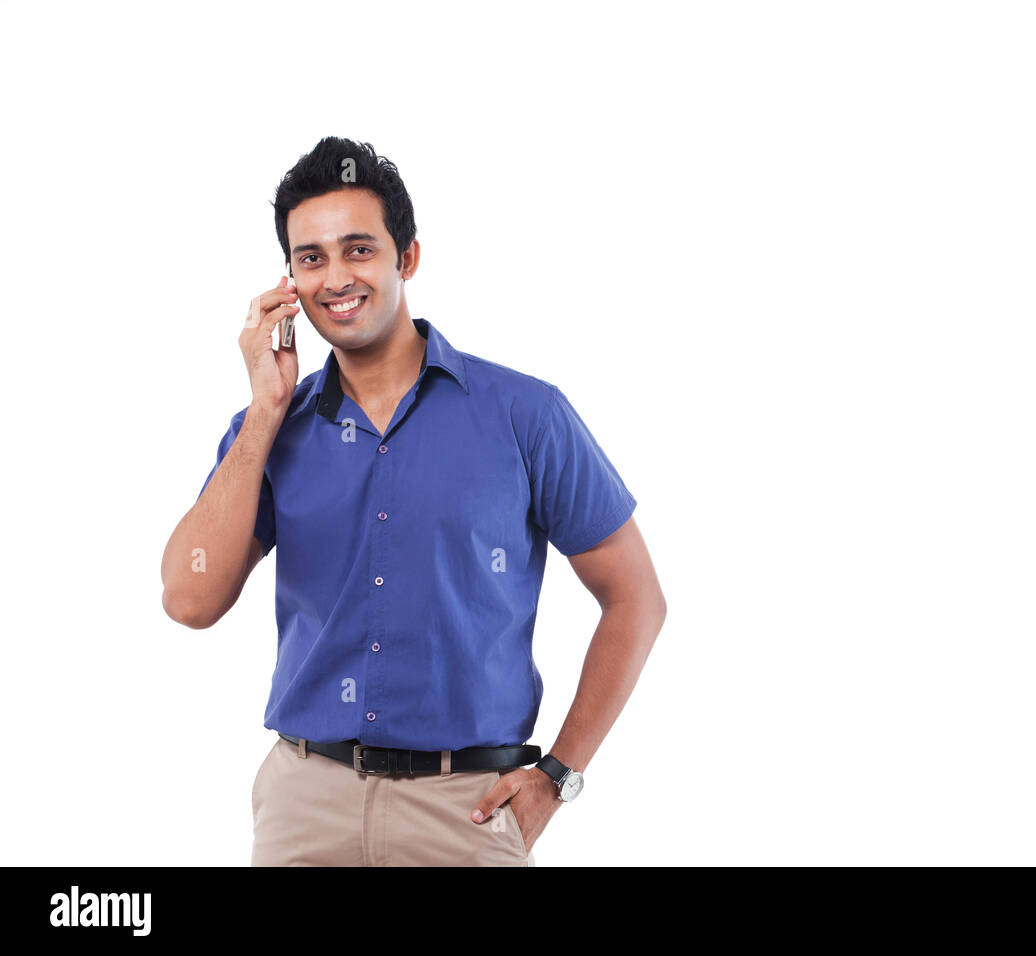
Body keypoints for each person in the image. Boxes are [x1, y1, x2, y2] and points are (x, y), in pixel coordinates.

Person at [160, 137, 667, 866]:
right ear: (290, 282)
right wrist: (265, 411)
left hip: (463, 810)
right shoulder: (267, 431)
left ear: (408, 258)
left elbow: (636, 597)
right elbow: (189, 598)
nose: (336, 277)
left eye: (359, 249)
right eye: (311, 258)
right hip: (305, 805)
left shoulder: (526, 415)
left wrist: (558, 775)